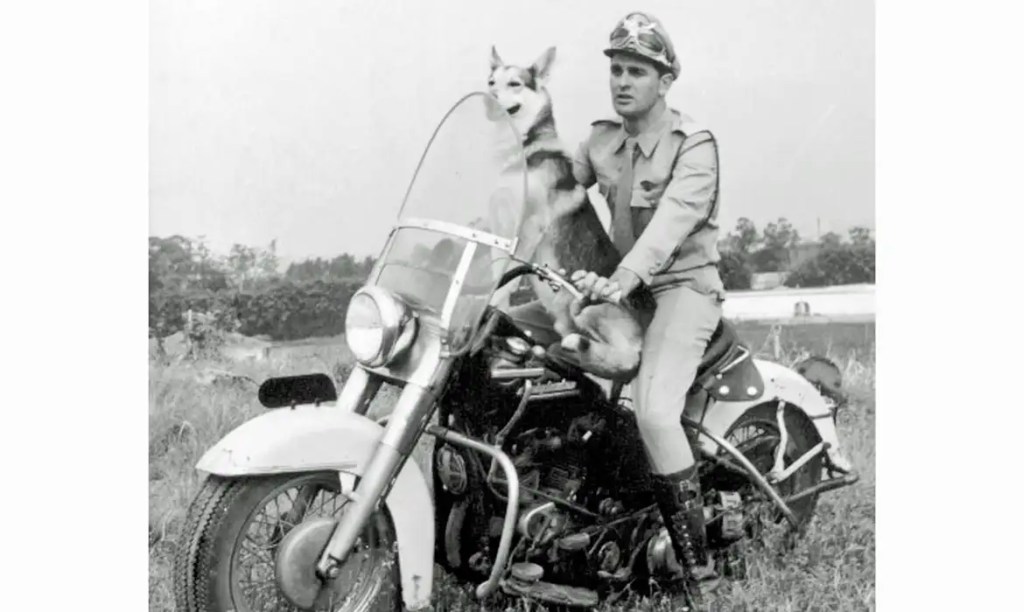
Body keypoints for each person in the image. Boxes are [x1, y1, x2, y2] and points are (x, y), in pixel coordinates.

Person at [570, 11, 726, 603]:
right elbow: (556, 189)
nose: (622, 81)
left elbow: (668, 227)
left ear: (666, 80)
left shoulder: (696, 146)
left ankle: (698, 572)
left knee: (656, 412)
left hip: (682, 289)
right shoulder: (601, 141)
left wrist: (622, 276)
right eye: (615, 68)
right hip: (622, 290)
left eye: (637, 70)